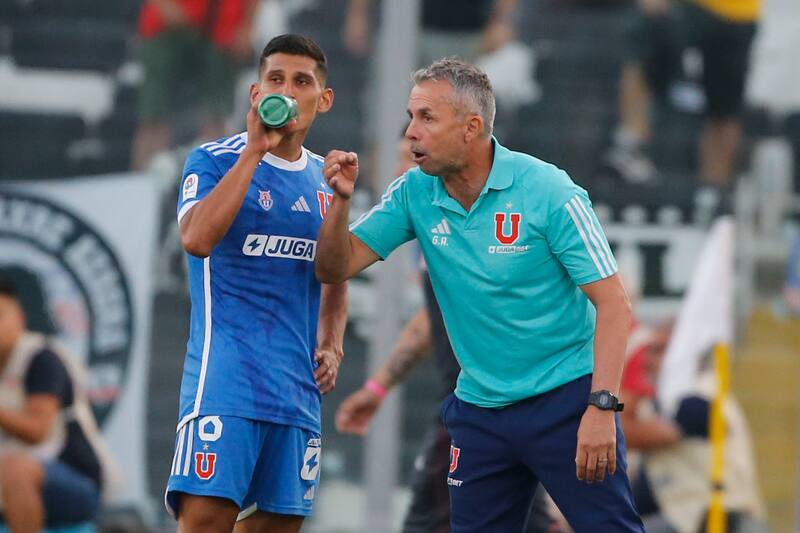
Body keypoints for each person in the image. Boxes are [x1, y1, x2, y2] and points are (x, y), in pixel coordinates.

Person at [316, 58, 643, 532]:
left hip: (567, 402)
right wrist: (341, 203)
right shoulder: (414, 192)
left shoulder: (549, 191)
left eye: (426, 118)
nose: (411, 132)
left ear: (471, 128)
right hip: (479, 412)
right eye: (411, 116)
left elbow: (614, 304)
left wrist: (601, 407)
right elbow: (335, 266)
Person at [164, 34, 348, 533]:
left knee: (277, 527)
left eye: (302, 81)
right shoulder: (214, 160)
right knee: (204, 522)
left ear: (323, 99)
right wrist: (253, 153)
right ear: (255, 93)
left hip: (296, 391)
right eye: (276, 79)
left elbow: (335, 275)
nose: (287, 91)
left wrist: (331, 342)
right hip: (225, 384)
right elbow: (196, 238)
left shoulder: (327, 181)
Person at [335, 136, 557, 533]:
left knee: (427, 521)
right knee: (526, 520)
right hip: (482, 402)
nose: (403, 169)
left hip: (480, 401)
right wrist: (378, 388)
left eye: (413, 157)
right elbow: (429, 319)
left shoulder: (488, 217)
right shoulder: (430, 222)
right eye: (400, 158)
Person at [605, 0, 759, 222]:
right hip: (684, 8)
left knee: (724, 109)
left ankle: (714, 192)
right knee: (641, 51)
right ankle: (631, 143)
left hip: (736, 13)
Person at [619, 323, 766, 533]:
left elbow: (629, 435)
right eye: (649, 351)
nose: (649, 359)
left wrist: (624, 385)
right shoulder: (659, 402)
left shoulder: (702, 393)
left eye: (662, 349)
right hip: (688, 518)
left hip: (727, 519)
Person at [0, 279, 110, 531]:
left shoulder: (41, 359)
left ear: (19, 317)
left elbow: (36, 431)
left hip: (75, 482)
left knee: (16, 468)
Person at [131, 0, 259, 171]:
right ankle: (144, 177)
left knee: (215, 114)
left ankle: (220, 175)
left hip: (219, 31)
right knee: (154, 115)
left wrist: (245, 28)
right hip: (168, 26)